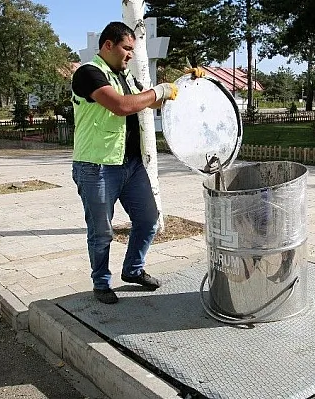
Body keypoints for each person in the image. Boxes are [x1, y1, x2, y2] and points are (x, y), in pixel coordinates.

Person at [71, 21, 205, 304]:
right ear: (108, 45)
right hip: (96, 167)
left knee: (148, 220)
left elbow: (152, 102)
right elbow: (121, 106)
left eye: (132, 49)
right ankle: (101, 283)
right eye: (126, 48)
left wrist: (183, 83)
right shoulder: (88, 74)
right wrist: (159, 92)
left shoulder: (125, 76)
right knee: (102, 231)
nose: (130, 55)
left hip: (130, 165)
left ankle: (132, 270)